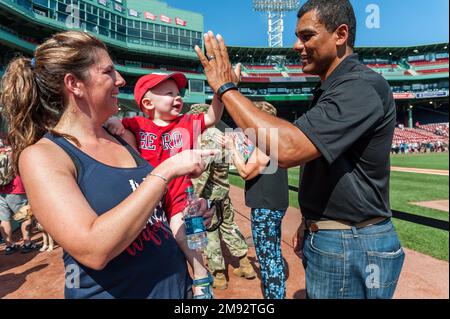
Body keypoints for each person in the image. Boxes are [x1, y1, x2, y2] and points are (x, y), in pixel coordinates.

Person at [195, 0, 405, 299]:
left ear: (340, 34)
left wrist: (227, 89)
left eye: (306, 36)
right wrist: (312, 223)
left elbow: (288, 149)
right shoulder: (332, 88)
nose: (297, 45)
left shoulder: (359, 86)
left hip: (351, 240)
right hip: (339, 233)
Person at [0, 30, 216, 299]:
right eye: (108, 72)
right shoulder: (43, 155)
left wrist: (191, 213)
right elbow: (93, 249)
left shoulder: (121, 139)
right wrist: (166, 170)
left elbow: (150, 210)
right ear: (74, 84)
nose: (121, 80)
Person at [104, 70, 238, 298]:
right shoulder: (135, 123)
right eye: (169, 93)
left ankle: (201, 278)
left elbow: (212, 117)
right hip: (148, 190)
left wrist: (220, 92)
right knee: (149, 240)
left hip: (178, 191)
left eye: (178, 93)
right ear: (147, 102)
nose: (178, 98)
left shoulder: (187, 121)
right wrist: (112, 121)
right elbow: (114, 125)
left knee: (182, 233)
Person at [224, 101, 289, 299]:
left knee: (268, 258)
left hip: (265, 206)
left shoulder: (266, 140)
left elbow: (245, 172)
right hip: (273, 204)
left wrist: (231, 147)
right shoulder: (275, 138)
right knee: (273, 255)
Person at [188, 103, 255, 291]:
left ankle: (218, 275)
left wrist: (195, 196)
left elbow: (203, 172)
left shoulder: (205, 137)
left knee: (210, 234)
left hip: (208, 196)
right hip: (223, 193)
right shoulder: (221, 135)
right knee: (230, 227)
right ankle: (245, 265)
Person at [0, 174, 36, 254]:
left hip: (1, 191)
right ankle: (27, 244)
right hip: (16, 189)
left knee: (5, 220)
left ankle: (9, 246)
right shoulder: (15, 160)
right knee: (25, 217)